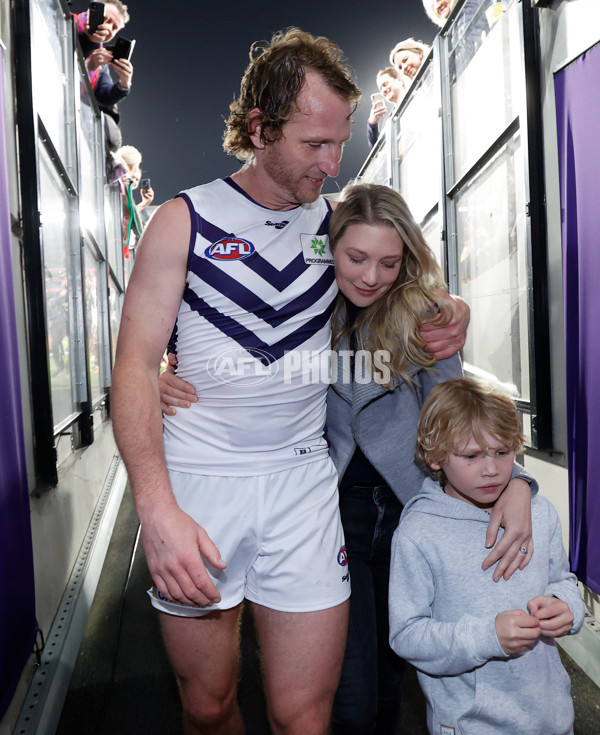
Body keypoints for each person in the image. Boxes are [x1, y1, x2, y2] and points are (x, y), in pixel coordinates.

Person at [112, 28, 471, 735]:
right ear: (260, 128)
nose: (333, 162)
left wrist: (454, 308)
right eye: (314, 144)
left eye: (339, 143)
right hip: (200, 481)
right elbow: (131, 364)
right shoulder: (182, 221)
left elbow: (402, 291)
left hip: (304, 487)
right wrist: (156, 509)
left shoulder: (338, 224)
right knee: (209, 706)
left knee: (304, 716)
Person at [159, 185, 535, 734]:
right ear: (327, 250)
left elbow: (461, 416)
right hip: (330, 510)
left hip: (414, 511)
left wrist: (517, 481)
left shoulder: (428, 318)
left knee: (393, 674)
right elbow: (227, 357)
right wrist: (159, 380)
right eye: (355, 257)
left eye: (388, 261)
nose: (370, 276)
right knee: (349, 693)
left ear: (407, 258)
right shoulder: (305, 309)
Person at [389, 377, 584, 735]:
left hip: (552, 719)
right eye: (471, 456)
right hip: (471, 725)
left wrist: (567, 606)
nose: (491, 469)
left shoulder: (540, 514)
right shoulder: (419, 533)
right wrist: (486, 637)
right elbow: (407, 634)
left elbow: (562, 580)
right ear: (434, 457)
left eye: (502, 452)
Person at [73, 2, 134, 150]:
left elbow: (104, 95)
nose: (108, 28)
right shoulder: (62, 21)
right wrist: (89, 41)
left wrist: (124, 83)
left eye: (114, 28)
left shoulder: (101, 58)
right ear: (92, 12)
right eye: (106, 19)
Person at [367, 68, 405, 148]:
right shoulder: (389, 121)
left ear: (399, 80)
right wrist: (372, 123)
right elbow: (377, 150)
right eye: (380, 89)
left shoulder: (416, 95)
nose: (383, 90)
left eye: (385, 84)